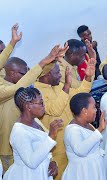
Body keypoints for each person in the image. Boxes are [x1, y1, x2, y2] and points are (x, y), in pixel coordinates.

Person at [0, 42, 63, 174]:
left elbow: (37, 74)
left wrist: (52, 59)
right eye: (24, 73)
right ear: (11, 73)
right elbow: (17, 88)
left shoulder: (35, 120)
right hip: (6, 147)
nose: (27, 75)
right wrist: (44, 60)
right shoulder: (4, 88)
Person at [35, 57, 96, 180]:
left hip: (73, 138)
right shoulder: (37, 93)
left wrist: (88, 77)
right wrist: (67, 86)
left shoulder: (59, 86)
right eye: (57, 73)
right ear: (46, 75)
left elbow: (79, 94)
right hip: (57, 144)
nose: (60, 76)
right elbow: (55, 109)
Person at [3, 87, 63, 180]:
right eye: (41, 103)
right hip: (27, 175)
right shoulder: (19, 132)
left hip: (40, 174)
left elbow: (42, 148)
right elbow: (31, 162)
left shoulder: (35, 121)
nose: (44, 106)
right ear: (28, 106)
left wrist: (52, 161)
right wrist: (51, 136)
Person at [62, 93, 106, 180]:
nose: (96, 110)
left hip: (92, 170)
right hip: (82, 173)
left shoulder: (87, 124)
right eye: (94, 107)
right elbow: (81, 150)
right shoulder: (72, 130)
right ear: (84, 111)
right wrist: (100, 129)